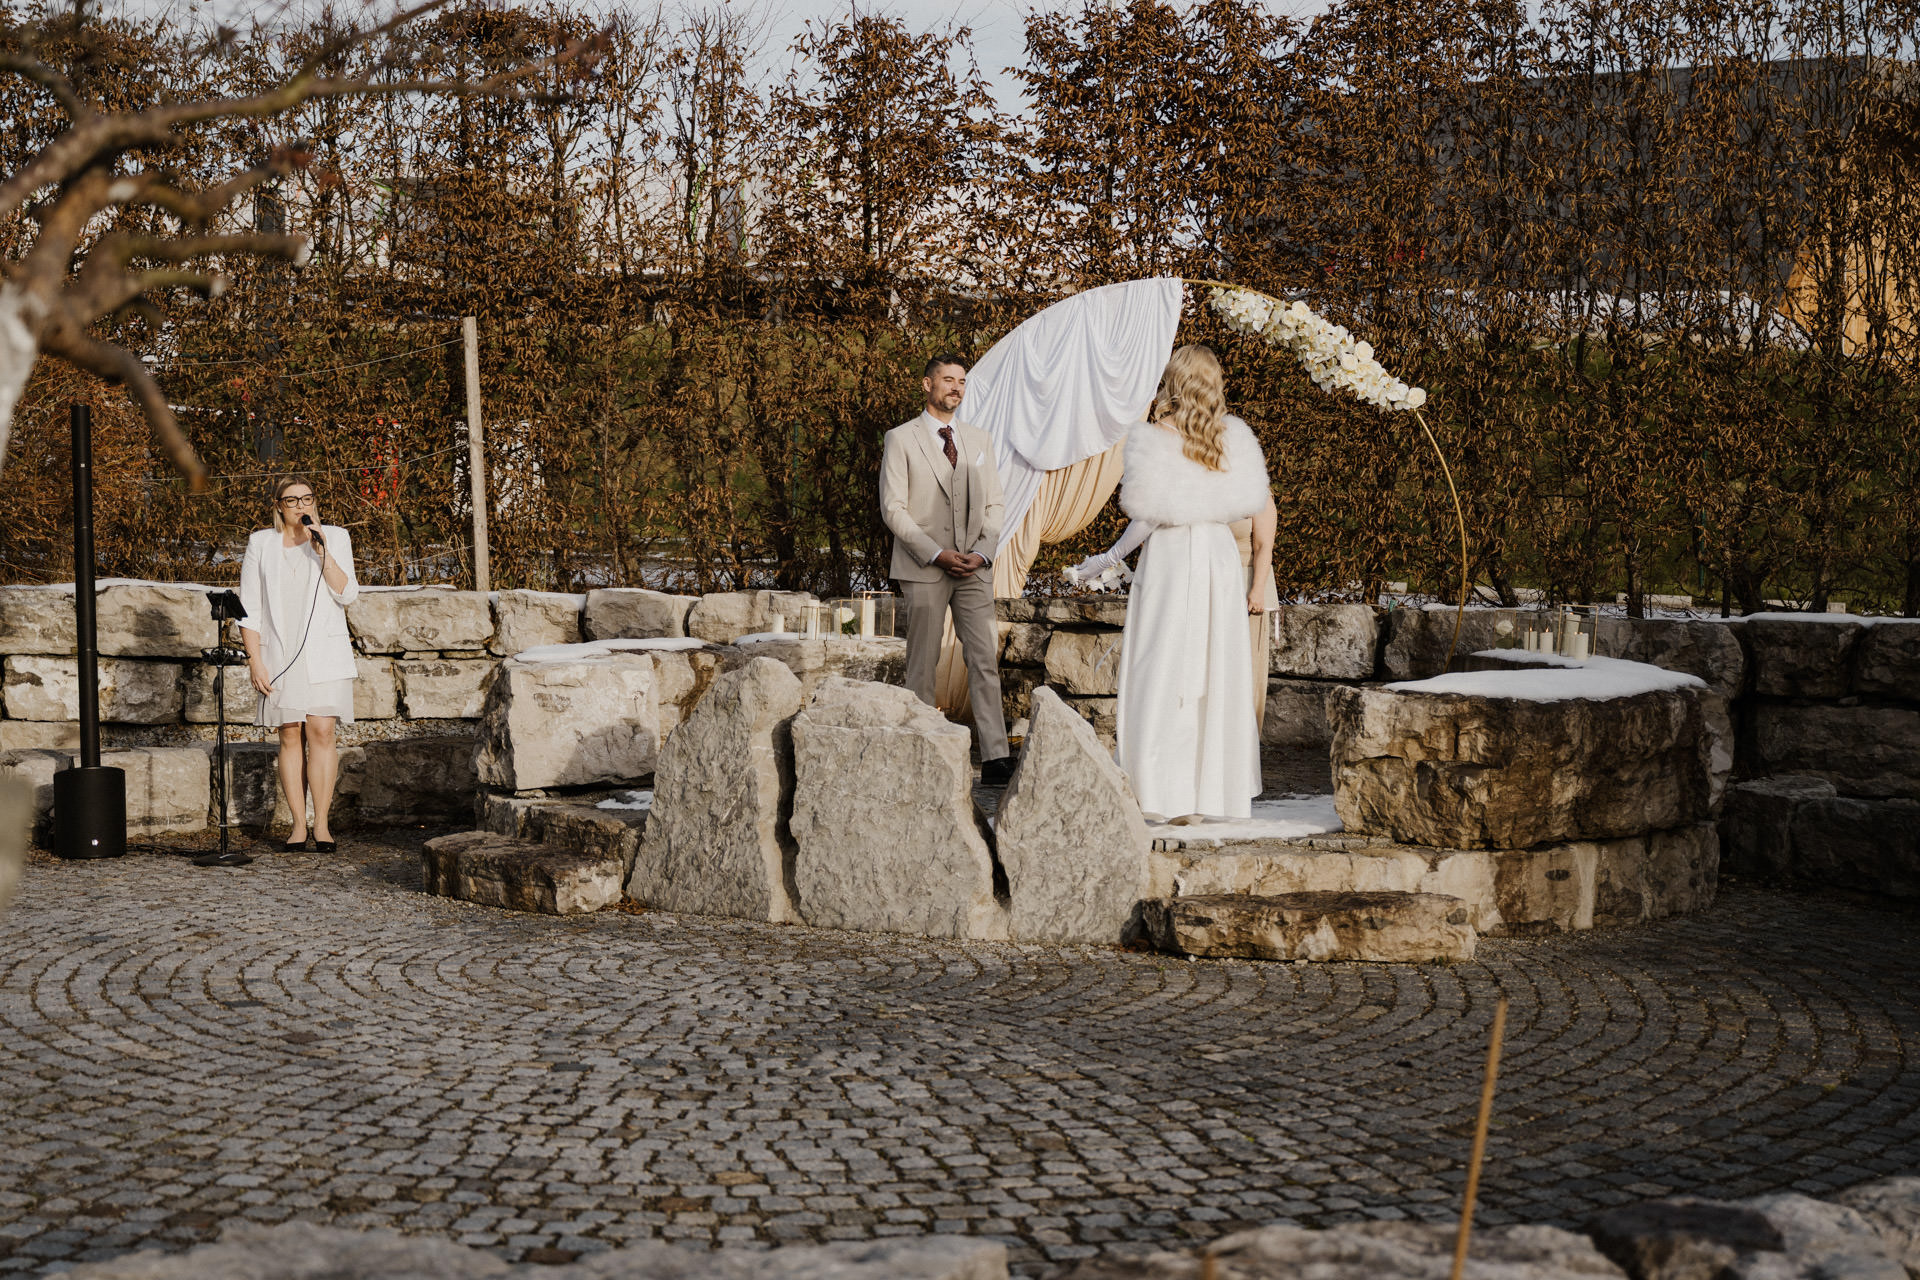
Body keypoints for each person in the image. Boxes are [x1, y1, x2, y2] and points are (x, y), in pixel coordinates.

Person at [1070, 346, 1272, 821]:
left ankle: (1161, 791)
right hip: (1217, 555)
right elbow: (1251, 502)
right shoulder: (1235, 438)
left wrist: (1108, 557)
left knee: (1161, 662)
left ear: (1173, 381)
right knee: (1211, 664)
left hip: (1172, 556)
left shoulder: (1150, 437)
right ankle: (1211, 794)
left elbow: (1147, 515)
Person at [879, 353, 1016, 786]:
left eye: (961, 381)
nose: (956, 387)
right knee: (922, 661)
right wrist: (936, 552)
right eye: (947, 379)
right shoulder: (901, 439)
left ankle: (995, 757)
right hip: (925, 567)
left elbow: (994, 503)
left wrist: (982, 551)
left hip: (974, 568)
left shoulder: (980, 440)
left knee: (983, 659)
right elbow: (893, 510)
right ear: (927, 384)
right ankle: (920, 746)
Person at [238, 476, 360, 852]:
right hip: (280, 654)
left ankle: (321, 824)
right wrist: (255, 662)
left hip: (324, 653)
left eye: (307, 499)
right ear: (278, 506)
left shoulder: (334, 537)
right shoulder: (262, 543)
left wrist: (321, 551)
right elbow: (249, 609)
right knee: (290, 733)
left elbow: (348, 594)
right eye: (292, 501)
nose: (301, 506)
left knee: (322, 732)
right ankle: (297, 826)